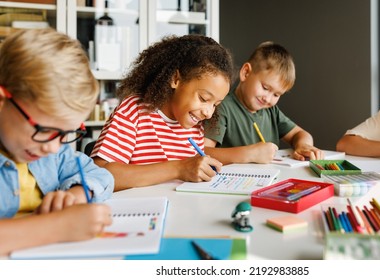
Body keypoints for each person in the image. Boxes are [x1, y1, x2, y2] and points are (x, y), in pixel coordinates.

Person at [0, 28, 114, 255]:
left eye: (66, 133)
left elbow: (101, 175)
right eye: (45, 130)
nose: (54, 146)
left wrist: (76, 195)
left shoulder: (54, 153)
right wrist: (58, 227)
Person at [91, 34, 235, 191]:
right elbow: (100, 175)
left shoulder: (195, 125)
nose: (208, 113)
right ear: (175, 79)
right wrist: (179, 169)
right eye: (203, 98)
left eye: (215, 104)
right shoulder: (134, 111)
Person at [203, 41, 323, 164]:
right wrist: (249, 154)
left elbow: (300, 133)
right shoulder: (222, 107)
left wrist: (303, 145)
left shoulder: (271, 111)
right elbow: (204, 152)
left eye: (276, 94)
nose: (268, 99)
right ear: (246, 72)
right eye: (265, 88)